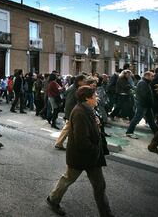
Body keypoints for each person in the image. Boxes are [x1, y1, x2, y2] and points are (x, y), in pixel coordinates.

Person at [47, 86, 113, 217]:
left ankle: (106, 214)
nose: (97, 98)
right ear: (87, 98)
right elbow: (82, 140)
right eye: (95, 96)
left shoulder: (90, 110)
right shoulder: (79, 112)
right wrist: (95, 150)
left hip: (93, 158)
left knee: (100, 186)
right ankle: (53, 200)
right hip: (81, 156)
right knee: (67, 179)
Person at [54, 74, 86, 150]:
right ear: (79, 81)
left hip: (70, 110)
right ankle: (59, 143)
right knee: (68, 128)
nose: (85, 82)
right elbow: (71, 102)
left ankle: (61, 143)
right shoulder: (74, 89)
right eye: (84, 81)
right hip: (71, 111)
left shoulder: (74, 87)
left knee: (69, 128)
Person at [125, 71, 158, 139]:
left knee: (151, 120)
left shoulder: (145, 82)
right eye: (152, 76)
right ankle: (129, 132)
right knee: (137, 118)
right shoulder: (142, 83)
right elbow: (144, 96)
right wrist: (150, 103)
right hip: (142, 105)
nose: (153, 78)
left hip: (146, 105)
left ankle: (157, 135)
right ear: (147, 76)